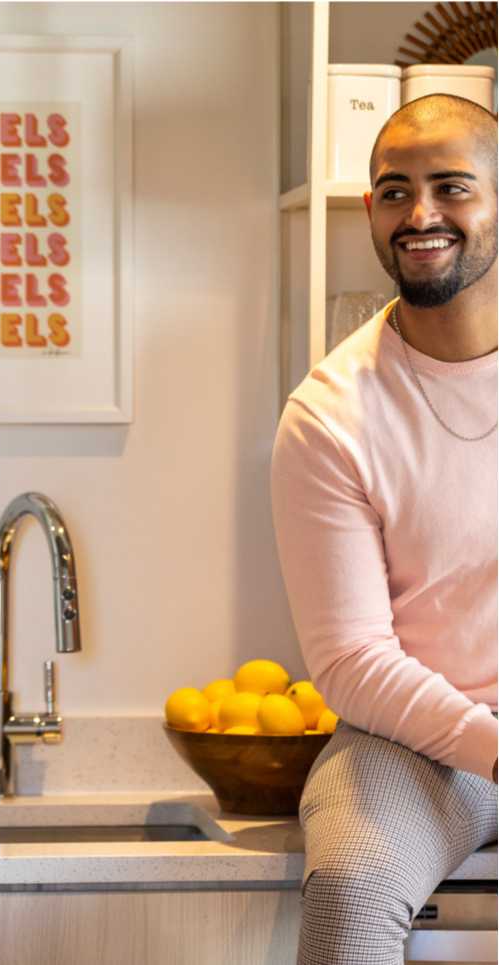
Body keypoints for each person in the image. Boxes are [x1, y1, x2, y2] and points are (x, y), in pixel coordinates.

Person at [270, 93, 498, 965]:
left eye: (451, 186)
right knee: (353, 883)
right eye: (394, 191)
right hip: (409, 745)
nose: (421, 214)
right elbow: (351, 661)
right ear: (370, 210)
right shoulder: (330, 414)